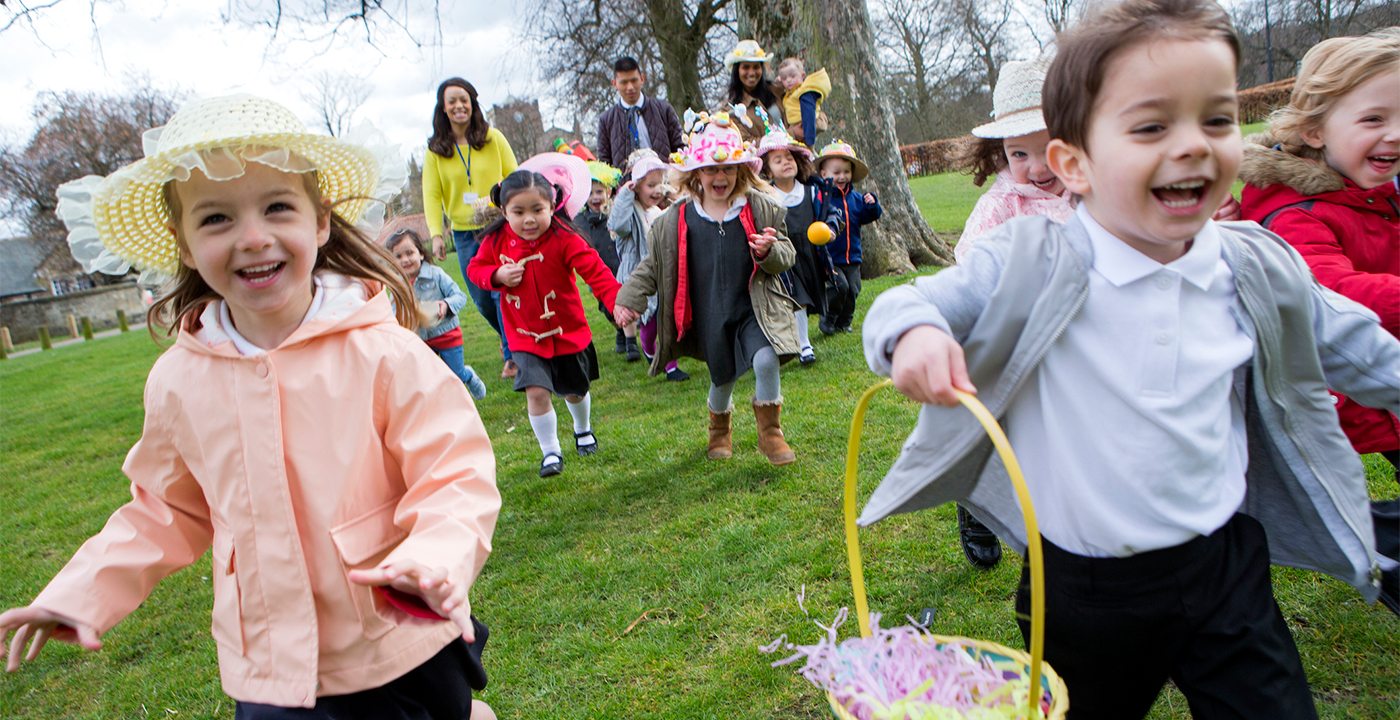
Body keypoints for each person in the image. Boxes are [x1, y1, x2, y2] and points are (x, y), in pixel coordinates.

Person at [861, 1, 1400, 717]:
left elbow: (1358, 346)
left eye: (1216, 119)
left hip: (1223, 568)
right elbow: (905, 305)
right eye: (1151, 126)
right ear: (1073, 163)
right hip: (1082, 592)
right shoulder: (1031, 259)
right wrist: (916, 337)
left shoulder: (1254, 269)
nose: (1194, 147)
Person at [6, 95, 501, 720]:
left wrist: (435, 556)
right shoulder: (179, 381)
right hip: (268, 663)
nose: (253, 237)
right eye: (215, 219)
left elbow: (454, 473)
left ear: (320, 222)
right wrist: (81, 592)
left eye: (277, 207)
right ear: (182, 243)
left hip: (396, 640)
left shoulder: (384, 353)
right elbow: (164, 509)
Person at [1239, 27, 1400, 616]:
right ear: (1314, 131)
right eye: (1374, 118)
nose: (1396, 133)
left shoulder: (1374, 188)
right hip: (1338, 383)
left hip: (1383, 373)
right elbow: (1330, 291)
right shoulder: (1294, 211)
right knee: (1318, 494)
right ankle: (1376, 547)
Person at [614, 113, 803, 466]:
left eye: (729, 169)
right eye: (711, 170)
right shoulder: (676, 220)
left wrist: (769, 251)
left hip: (753, 308)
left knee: (766, 359)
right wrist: (629, 299)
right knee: (722, 377)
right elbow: (653, 266)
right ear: (695, 173)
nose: (720, 177)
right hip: (709, 314)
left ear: (741, 171)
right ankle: (719, 430)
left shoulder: (761, 209)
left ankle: (771, 434)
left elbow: (787, 254)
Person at [467, 170, 622, 478]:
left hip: (566, 332)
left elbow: (595, 270)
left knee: (575, 390)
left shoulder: (565, 237)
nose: (529, 220)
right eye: (519, 212)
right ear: (504, 212)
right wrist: (497, 275)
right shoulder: (497, 240)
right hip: (525, 336)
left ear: (552, 207)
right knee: (536, 391)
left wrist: (617, 301)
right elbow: (475, 269)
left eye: (537, 210)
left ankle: (583, 428)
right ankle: (551, 452)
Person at [422, 77, 521, 380]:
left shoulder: (493, 138)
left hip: (497, 226)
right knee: (480, 296)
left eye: (463, 99)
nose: (458, 106)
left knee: (499, 291)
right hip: (464, 233)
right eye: (451, 101)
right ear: (443, 108)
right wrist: (437, 233)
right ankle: (511, 341)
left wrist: (508, 206)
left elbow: (514, 176)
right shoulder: (436, 150)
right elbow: (432, 193)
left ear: (472, 103)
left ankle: (513, 354)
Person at [755, 129, 842, 366]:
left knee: (839, 287)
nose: (786, 163)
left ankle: (835, 322)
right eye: (778, 159)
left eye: (789, 157)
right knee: (797, 299)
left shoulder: (813, 190)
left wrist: (831, 229)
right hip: (785, 258)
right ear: (766, 169)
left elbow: (832, 214)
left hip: (812, 255)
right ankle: (804, 345)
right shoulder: (767, 197)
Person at [610, 148, 689, 380]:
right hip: (637, 277)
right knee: (649, 325)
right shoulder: (629, 211)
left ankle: (670, 365)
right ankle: (649, 349)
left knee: (665, 319)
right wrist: (625, 194)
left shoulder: (656, 212)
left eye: (659, 184)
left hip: (659, 276)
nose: (656, 191)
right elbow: (619, 225)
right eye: (650, 185)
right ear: (636, 186)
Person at [386, 227, 489, 400]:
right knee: (429, 379)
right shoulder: (397, 285)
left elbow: (460, 296)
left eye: (409, 253)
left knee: (455, 375)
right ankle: (443, 407)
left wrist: (446, 304)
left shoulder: (436, 275)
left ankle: (467, 375)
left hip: (447, 335)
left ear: (420, 253)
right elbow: (394, 313)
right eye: (398, 256)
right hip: (420, 340)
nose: (405, 260)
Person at [815, 140, 882, 335]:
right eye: (836, 173)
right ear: (824, 174)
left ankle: (845, 322)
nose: (842, 176)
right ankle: (829, 318)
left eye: (846, 172)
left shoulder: (855, 198)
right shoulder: (821, 198)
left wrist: (872, 205)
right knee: (839, 287)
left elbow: (869, 216)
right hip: (830, 256)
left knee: (853, 289)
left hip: (852, 256)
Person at [596, 56, 684, 169]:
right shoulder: (606, 120)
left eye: (634, 80)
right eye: (624, 82)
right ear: (615, 84)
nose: (630, 87)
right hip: (626, 185)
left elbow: (680, 148)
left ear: (642, 78)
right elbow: (604, 164)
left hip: (663, 182)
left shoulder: (664, 109)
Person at [575, 161, 625, 341]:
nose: (595, 197)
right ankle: (619, 329)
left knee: (624, 300)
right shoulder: (580, 219)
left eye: (599, 192)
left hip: (619, 265)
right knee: (605, 307)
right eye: (590, 193)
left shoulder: (615, 212)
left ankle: (629, 339)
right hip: (597, 269)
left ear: (608, 192)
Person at [722, 40, 784, 142]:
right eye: (746, 67)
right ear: (736, 71)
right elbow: (745, 142)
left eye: (756, 67)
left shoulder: (778, 91)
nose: (751, 73)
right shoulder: (730, 110)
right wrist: (788, 137)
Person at [776, 57, 831, 148]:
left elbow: (808, 112)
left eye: (793, 76)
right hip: (795, 128)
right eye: (784, 78)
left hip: (806, 126)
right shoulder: (791, 93)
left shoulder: (804, 93)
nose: (789, 80)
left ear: (802, 75)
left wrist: (809, 139)